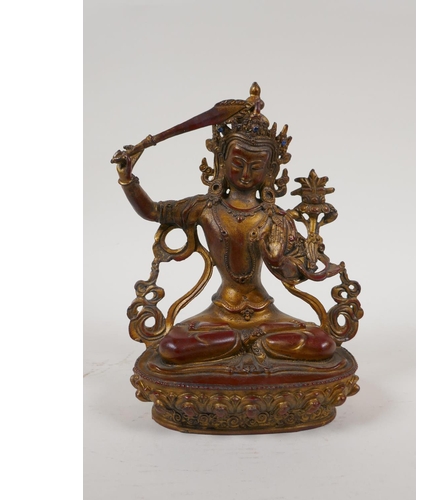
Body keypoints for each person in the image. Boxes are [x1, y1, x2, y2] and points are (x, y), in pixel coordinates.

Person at [115, 84, 341, 365]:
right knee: (173, 346)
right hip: (219, 315)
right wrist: (127, 179)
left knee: (320, 342)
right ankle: (251, 344)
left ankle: (244, 342)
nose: (245, 173)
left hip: (266, 315)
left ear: (270, 171)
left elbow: (296, 273)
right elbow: (153, 211)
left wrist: (280, 261)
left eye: (256, 167)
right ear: (222, 162)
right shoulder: (206, 209)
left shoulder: (276, 218)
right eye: (238, 163)